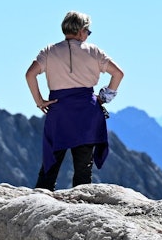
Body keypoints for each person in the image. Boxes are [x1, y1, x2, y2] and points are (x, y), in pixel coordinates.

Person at [25, 11, 124, 190]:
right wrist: (103, 97)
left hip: (59, 111)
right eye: (88, 31)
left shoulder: (49, 51)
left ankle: (41, 197)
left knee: (51, 163)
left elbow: (30, 74)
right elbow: (118, 74)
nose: (88, 35)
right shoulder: (94, 52)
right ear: (80, 31)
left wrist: (40, 101)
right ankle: (82, 201)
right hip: (87, 112)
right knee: (83, 167)